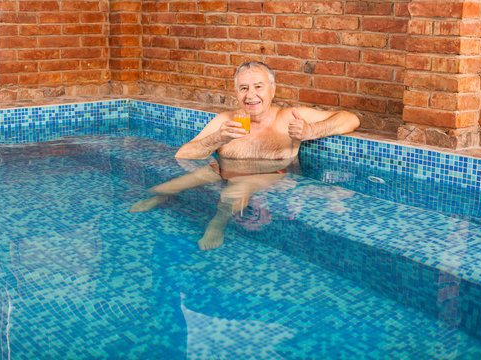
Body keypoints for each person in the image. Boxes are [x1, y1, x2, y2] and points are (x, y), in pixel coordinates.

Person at [130, 61, 360, 250]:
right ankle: (161, 196)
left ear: (273, 89)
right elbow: (184, 154)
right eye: (244, 88)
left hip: (271, 173)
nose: (251, 95)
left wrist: (312, 131)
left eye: (258, 87)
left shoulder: (289, 117)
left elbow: (350, 119)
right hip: (223, 168)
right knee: (172, 185)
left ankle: (216, 225)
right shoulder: (226, 121)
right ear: (236, 92)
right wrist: (219, 138)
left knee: (237, 188)